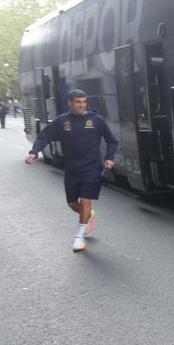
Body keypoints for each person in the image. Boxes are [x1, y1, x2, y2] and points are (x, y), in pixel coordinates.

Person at [24, 89, 118, 253]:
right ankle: (89, 215)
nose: (82, 105)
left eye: (84, 102)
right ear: (70, 103)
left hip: (92, 168)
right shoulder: (62, 121)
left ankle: (78, 238)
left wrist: (109, 158)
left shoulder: (96, 120)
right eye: (78, 102)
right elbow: (44, 136)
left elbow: (112, 141)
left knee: (86, 199)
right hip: (72, 169)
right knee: (72, 203)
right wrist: (34, 152)